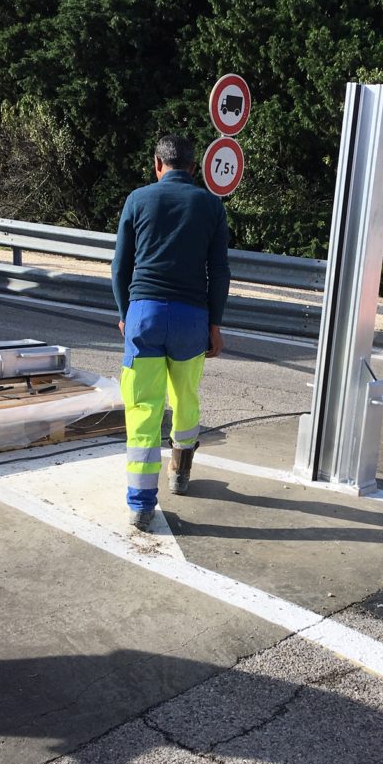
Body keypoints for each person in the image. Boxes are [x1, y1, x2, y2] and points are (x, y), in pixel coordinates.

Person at [112, 134, 230, 530]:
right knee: (185, 398)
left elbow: (120, 268)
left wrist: (126, 314)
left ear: (156, 164)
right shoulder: (211, 205)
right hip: (191, 319)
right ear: (194, 169)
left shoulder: (137, 200)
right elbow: (220, 272)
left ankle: (141, 504)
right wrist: (214, 324)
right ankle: (179, 474)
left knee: (144, 408)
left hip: (144, 314)